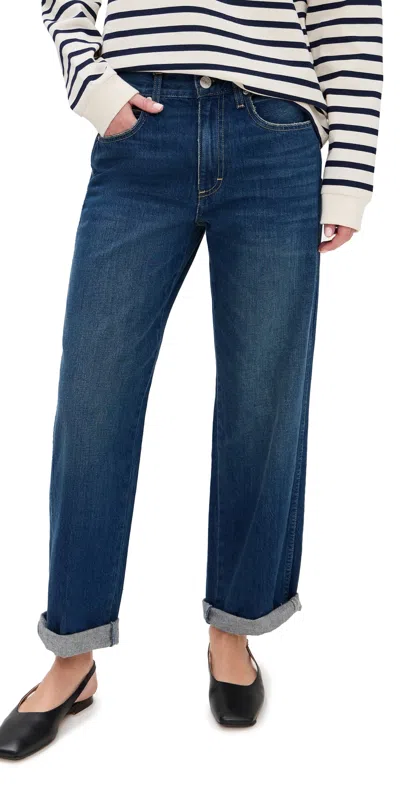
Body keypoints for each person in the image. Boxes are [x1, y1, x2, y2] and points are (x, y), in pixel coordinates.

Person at [0, 0, 382, 759]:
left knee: (263, 400)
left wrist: (349, 173)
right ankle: (73, 655)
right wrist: (90, 81)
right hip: (144, 125)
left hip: (275, 133)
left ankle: (233, 632)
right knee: (93, 398)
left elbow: (348, 22)